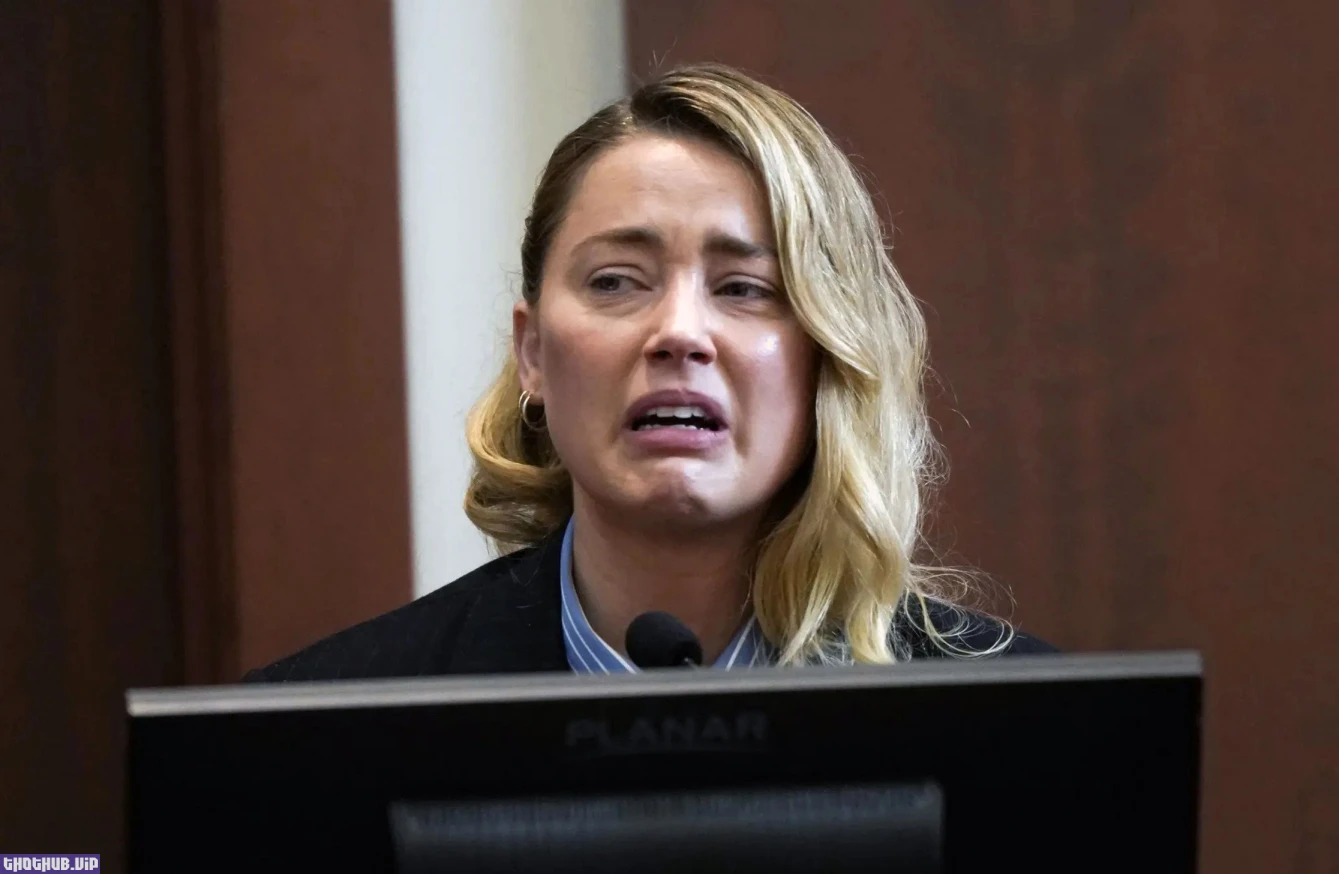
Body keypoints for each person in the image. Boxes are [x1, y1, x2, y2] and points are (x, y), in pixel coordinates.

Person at [246, 63, 1052, 683]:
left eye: (743, 288)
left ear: (826, 356)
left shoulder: (1026, 724)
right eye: (615, 282)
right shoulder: (318, 727)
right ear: (533, 353)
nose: (678, 333)